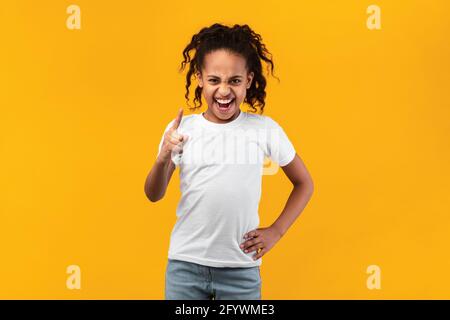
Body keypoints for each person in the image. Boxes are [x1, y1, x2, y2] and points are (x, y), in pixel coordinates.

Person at [144, 23, 314, 300]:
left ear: (248, 80)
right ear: (199, 78)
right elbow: (153, 193)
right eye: (214, 80)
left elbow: (304, 182)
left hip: (240, 270)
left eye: (234, 80)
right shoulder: (181, 130)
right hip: (185, 266)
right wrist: (163, 157)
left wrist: (277, 231)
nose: (224, 90)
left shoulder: (264, 129)